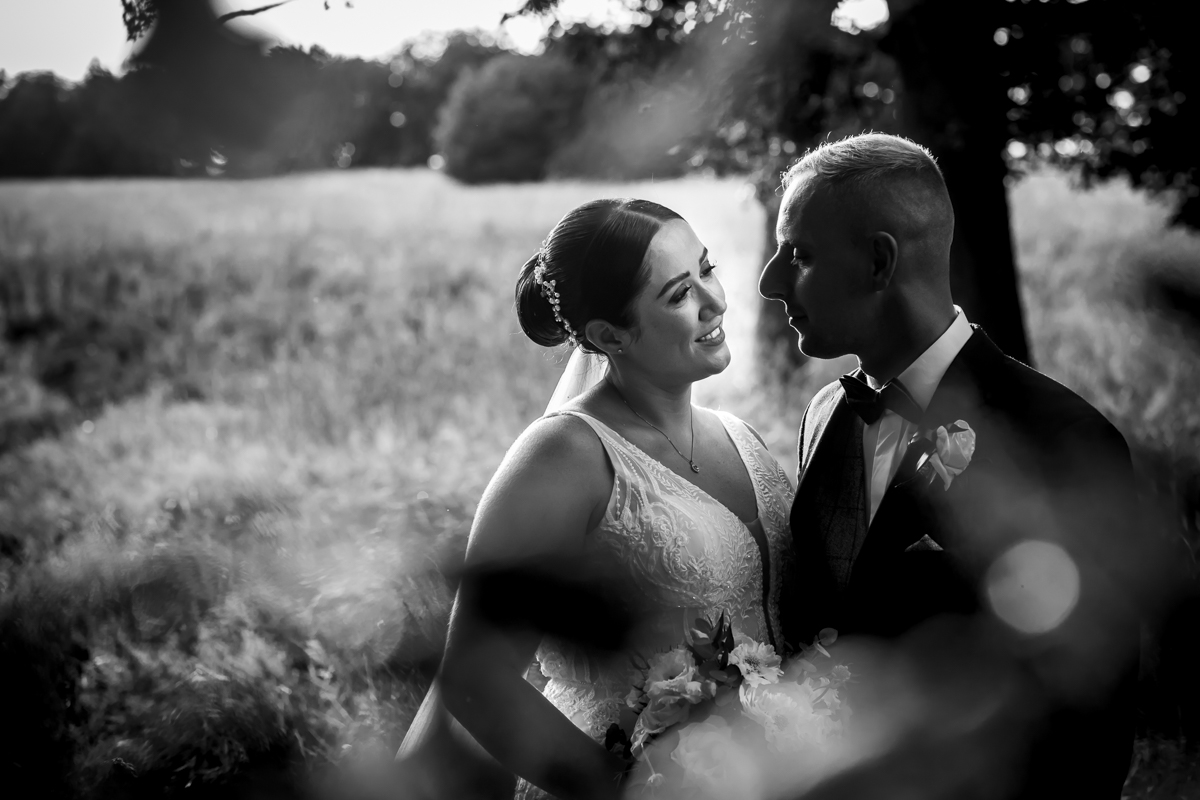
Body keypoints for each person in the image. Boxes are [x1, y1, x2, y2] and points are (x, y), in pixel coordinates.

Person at [759, 132, 1141, 799]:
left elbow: (1089, 732)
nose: (769, 283)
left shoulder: (1061, 439)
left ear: (880, 262)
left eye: (800, 255)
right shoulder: (826, 413)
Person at [397, 198, 796, 800]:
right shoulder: (564, 456)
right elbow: (477, 678)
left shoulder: (741, 437)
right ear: (610, 334)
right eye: (680, 294)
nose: (716, 301)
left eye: (708, 269)